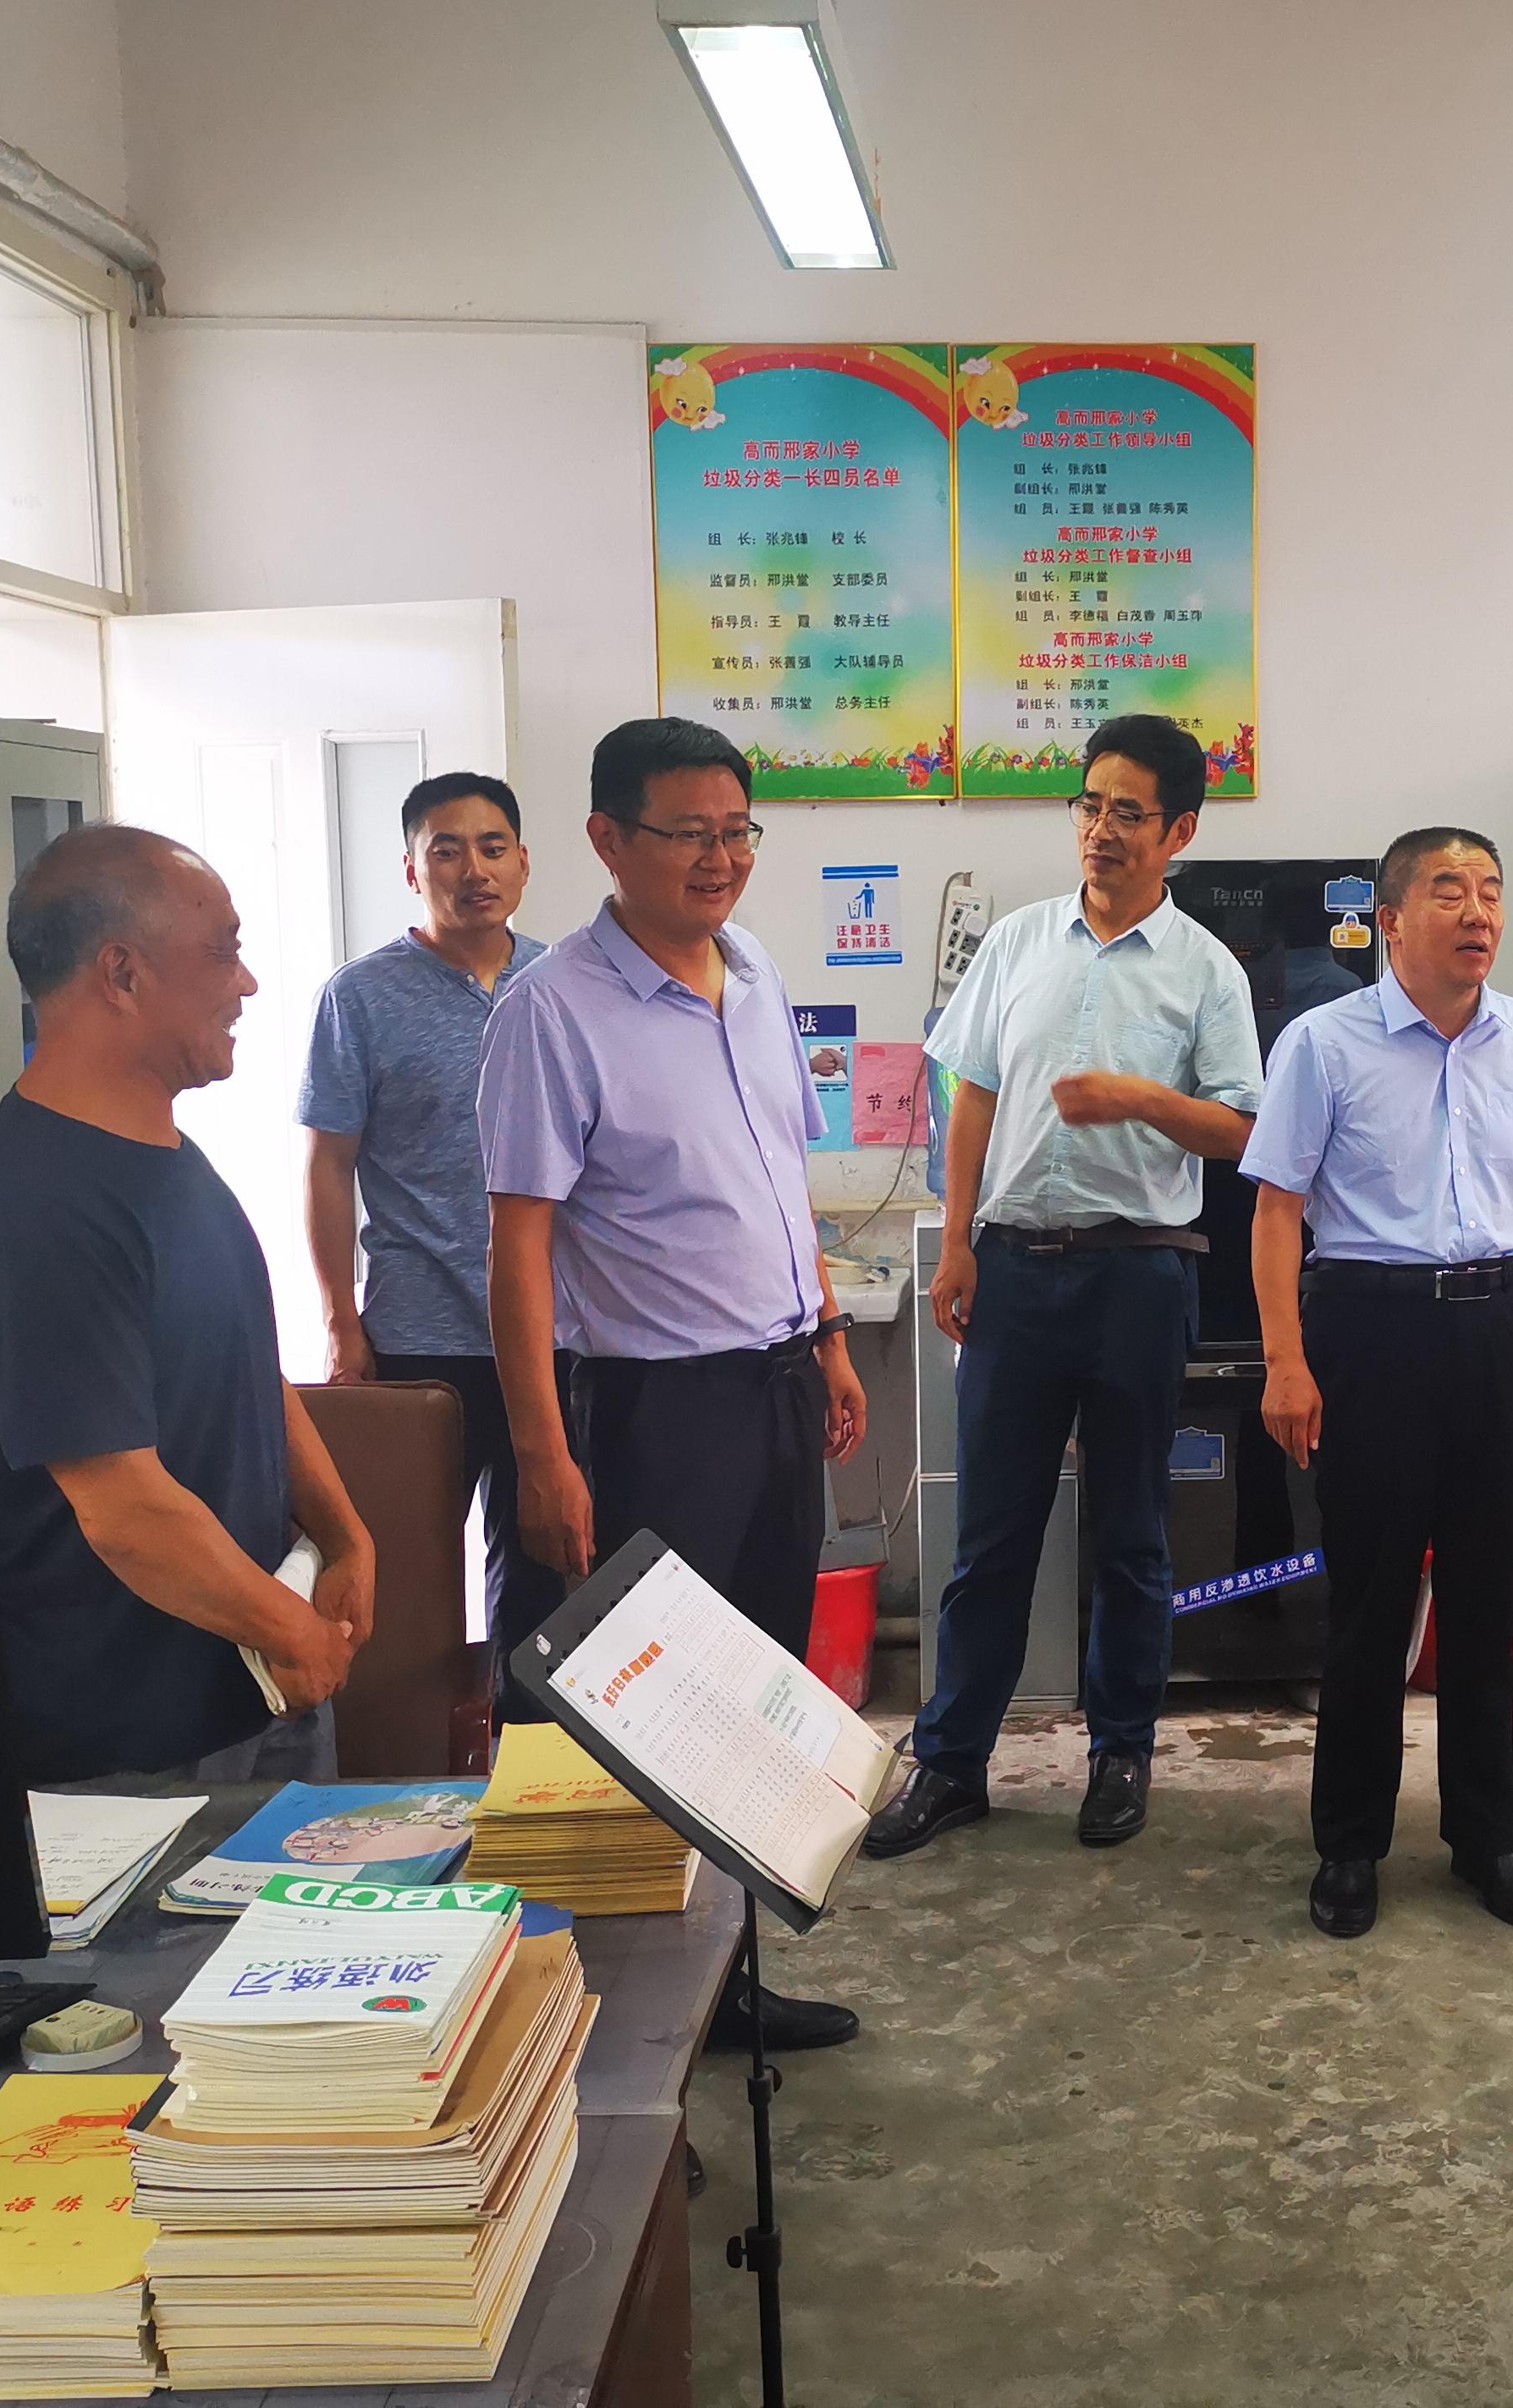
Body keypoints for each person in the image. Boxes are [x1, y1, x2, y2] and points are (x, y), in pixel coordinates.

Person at [477, 716, 866, 2052]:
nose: (722, 858)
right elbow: (518, 1252)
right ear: (607, 839)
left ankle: (724, 1987)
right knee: (637, 1716)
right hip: (654, 1415)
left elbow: (783, 1182)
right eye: (689, 833)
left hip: (776, 1389)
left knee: (756, 1704)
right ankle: (603, 2012)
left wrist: (826, 1335)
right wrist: (542, 1455)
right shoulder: (552, 1011)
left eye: (738, 831)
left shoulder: (752, 976)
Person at [862, 714, 1267, 1861]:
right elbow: (973, 1097)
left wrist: (1136, 1098)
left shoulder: (1206, 970)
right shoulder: (1018, 943)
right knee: (990, 1536)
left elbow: (1245, 1131)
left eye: (1128, 812)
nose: (1099, 829)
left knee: (1133, 1532)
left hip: (1140, 1273)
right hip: (1013, 1270)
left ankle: (1121, 1752)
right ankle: (951, 1764)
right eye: (1090, 805)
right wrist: (954, 1244)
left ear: (1178, 832)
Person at [0, 824, 373, 1787]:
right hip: (129, 1744)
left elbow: (245, 1370)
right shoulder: (41, 1208)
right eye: (222, 951)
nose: (246, 983)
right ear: (123, 974)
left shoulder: (167, 1156)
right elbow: (125, 1508)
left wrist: (344, 1534)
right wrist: (291, 1628)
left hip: (249, 1682)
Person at [1243, 827, 1513, 1938]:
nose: (1477, 911)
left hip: (1499, 1327)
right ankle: (1349, 1845)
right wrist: (1286, 1360)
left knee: (1488, 1600)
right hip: (1368, 1329)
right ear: (1391, 920)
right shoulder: (1323, 1042)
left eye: (1490, 890)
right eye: (1449, 891)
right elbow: (1277, 1209)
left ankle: (1486, 1838)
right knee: (1370, 1597)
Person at [300, 772, 553, 1716]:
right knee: (403, 1575)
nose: (473, 869)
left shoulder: (564, 983)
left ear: (523, 863)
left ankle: (526, 1755)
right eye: (446, 850)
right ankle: (405, 1757)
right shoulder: (360, 997)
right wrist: (341, 1321)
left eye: (493, 847)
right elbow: (328, 1167)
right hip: (418, 1337)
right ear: (412, 870)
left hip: (553, 1337)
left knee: (543, 1571)